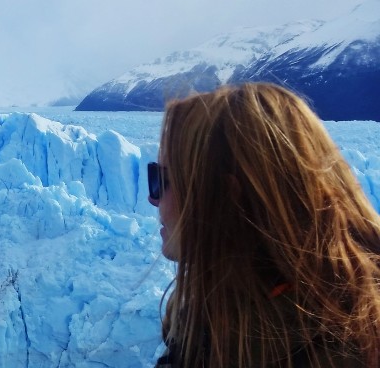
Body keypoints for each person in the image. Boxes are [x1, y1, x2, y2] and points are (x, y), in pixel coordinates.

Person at [148, 82, 380, 368]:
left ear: (224, 199)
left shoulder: (339, 355)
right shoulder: (206, 314)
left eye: (162, 179)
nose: (152, 197)